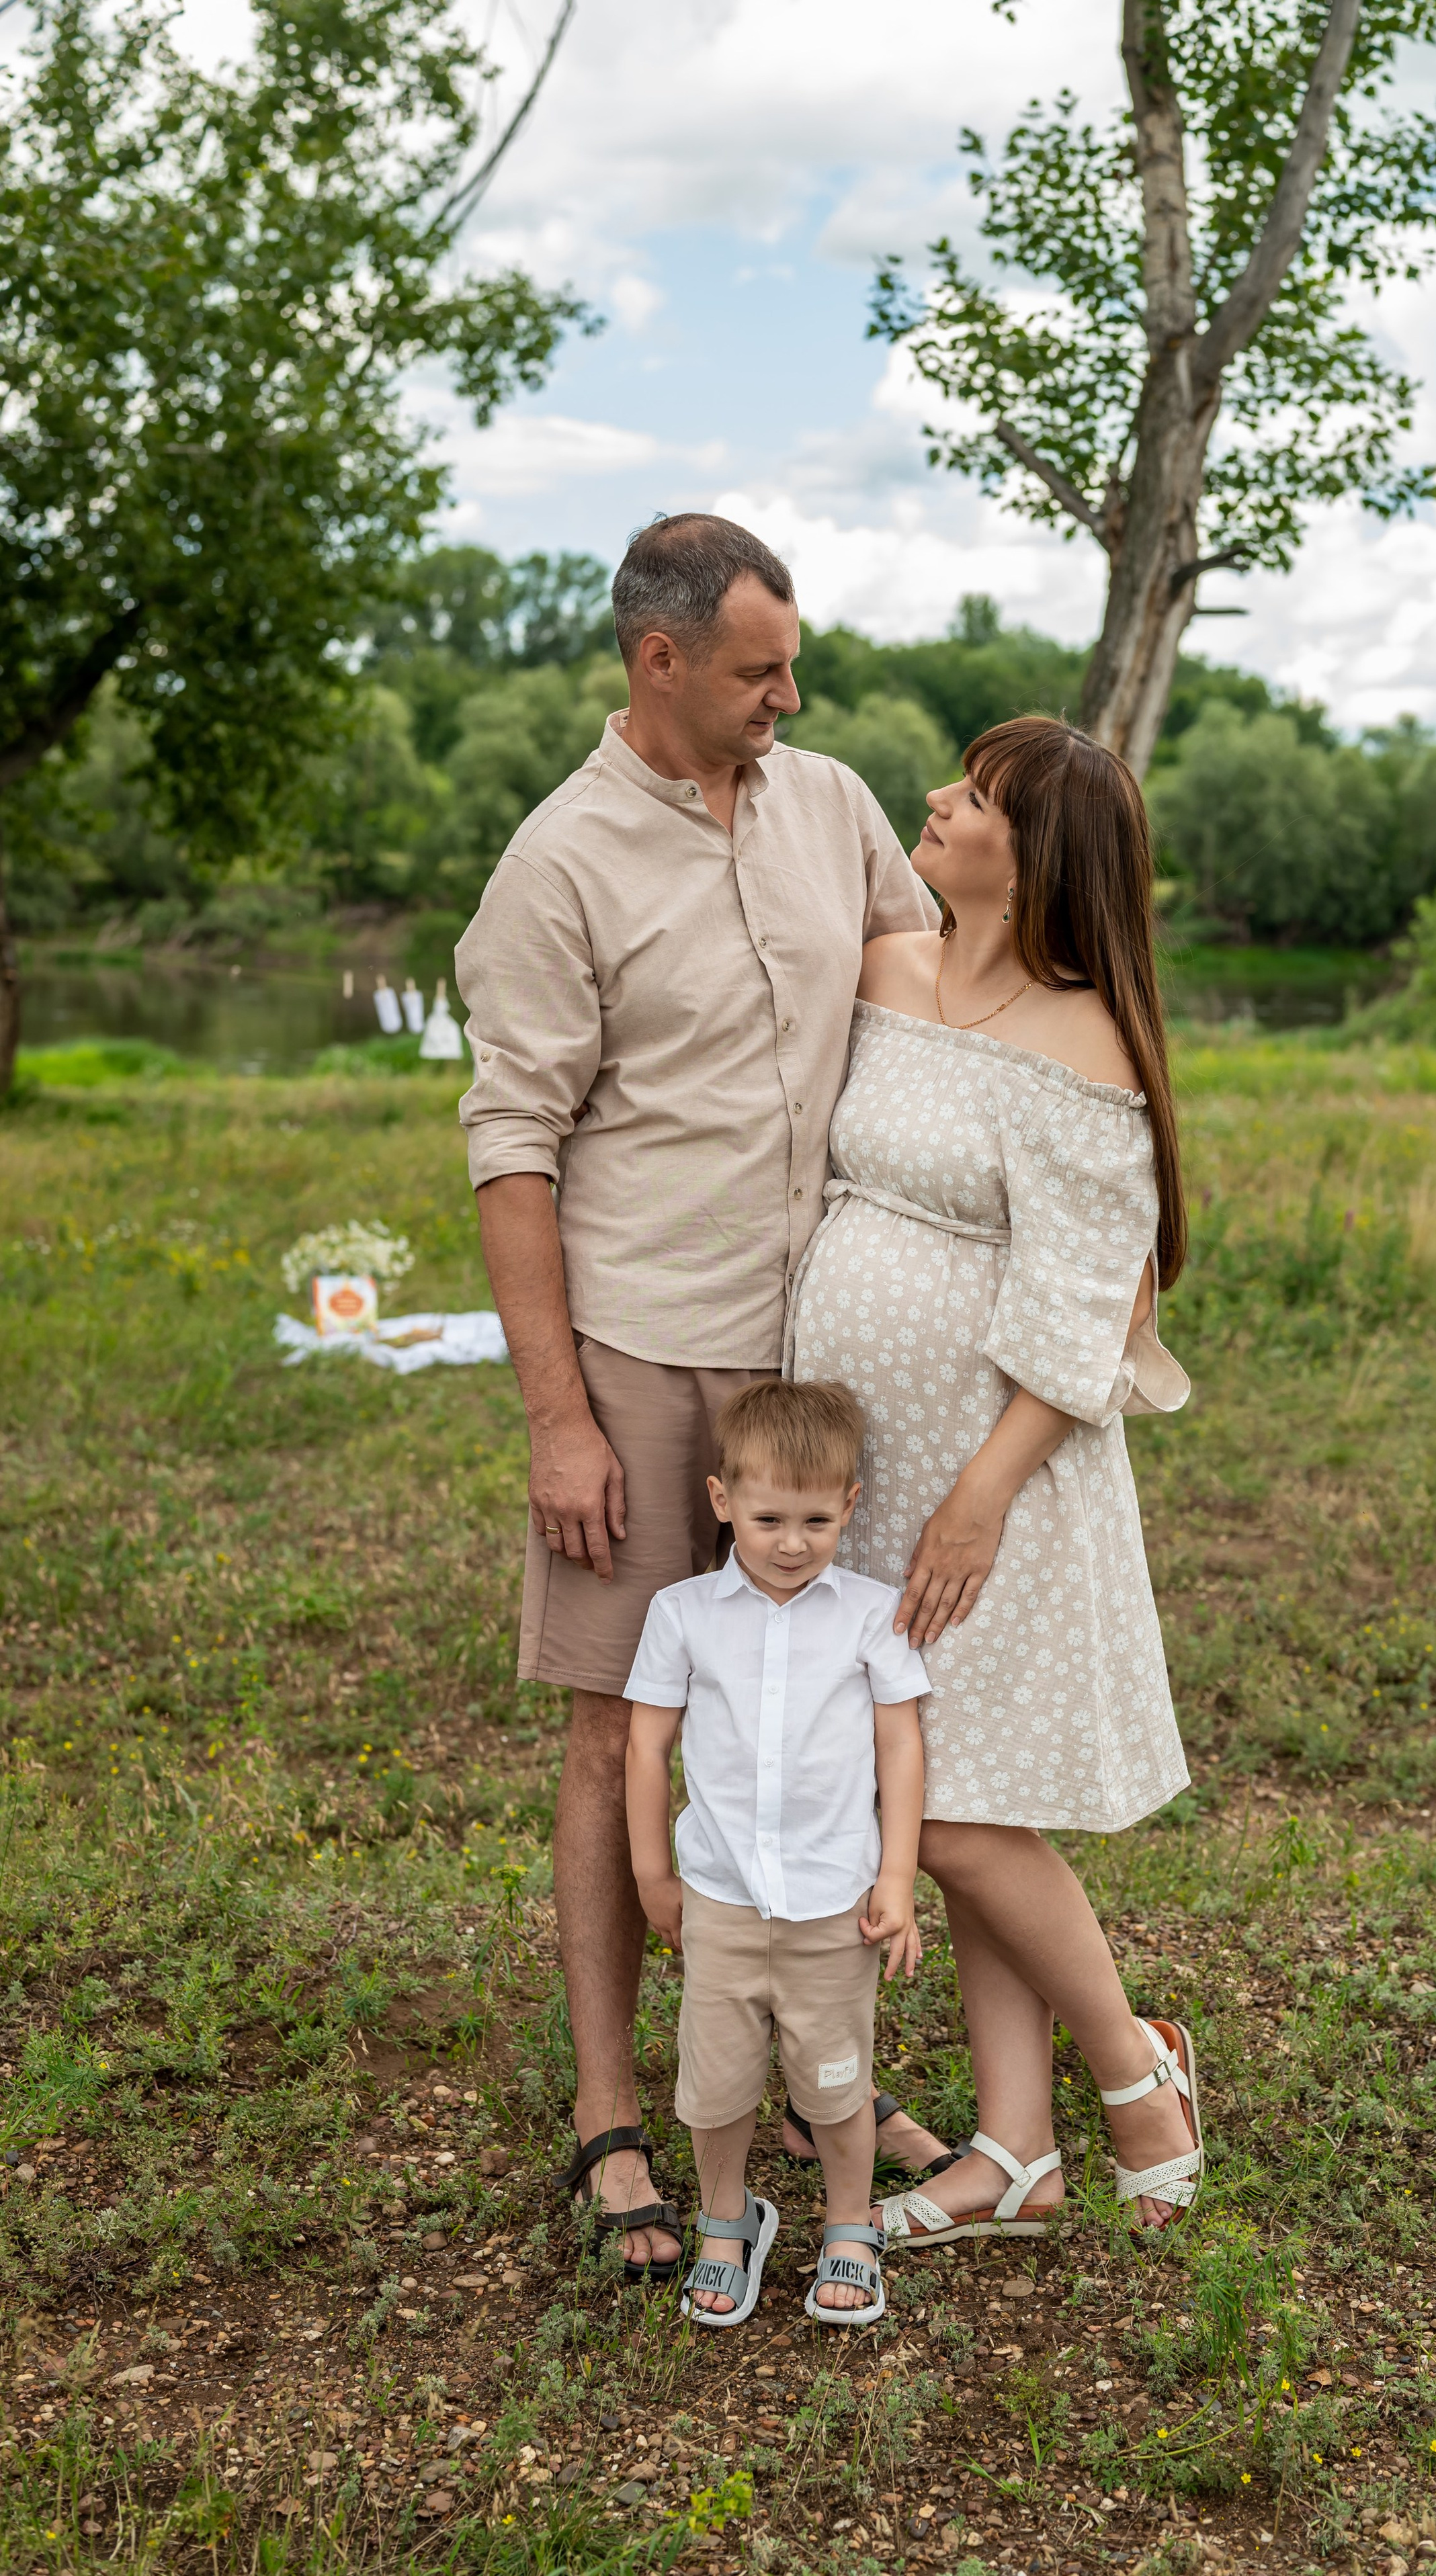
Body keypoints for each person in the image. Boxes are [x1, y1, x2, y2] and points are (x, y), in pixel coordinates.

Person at [455, 513, 941, 2277]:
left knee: (811, 1712)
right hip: (642, 1349)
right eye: (756, 671)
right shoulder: (558, 866)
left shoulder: (828, 805)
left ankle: (823, 2075)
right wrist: (558, 1419)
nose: (787, 696)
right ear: (657, 661)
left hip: (806, 1360)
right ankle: (611, 2118)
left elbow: (930, 979)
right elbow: (512, 1152)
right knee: (619, 1730)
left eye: (791, 662)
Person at [786, 714, 1204, 2239]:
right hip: (869, 1469)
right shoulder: (887, 972)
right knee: (957, 1787)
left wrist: (983, 1489)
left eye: (974, 799)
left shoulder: (1081, 1037)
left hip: (996, 1479)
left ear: (1037, 862)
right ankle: (1011, 2153)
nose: (939, 803)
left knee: (956, 1809)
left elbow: (1085, 1300)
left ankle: (1129, 2067)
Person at [624, 1379, 928, 2326]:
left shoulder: (872, 1613)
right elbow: (645, 1744)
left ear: (849, 1506)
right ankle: (729, 2217)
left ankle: (848, 2219)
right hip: (718, 1893)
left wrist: (898, 1877)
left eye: (814, 1518)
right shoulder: (684, 1613)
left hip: (835, 1899)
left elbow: (900, 1742)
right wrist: (650, 1871)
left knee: (836, 2077)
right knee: (714, 2081)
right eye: (766, 1517)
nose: (791, 1541)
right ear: (723, 1502)